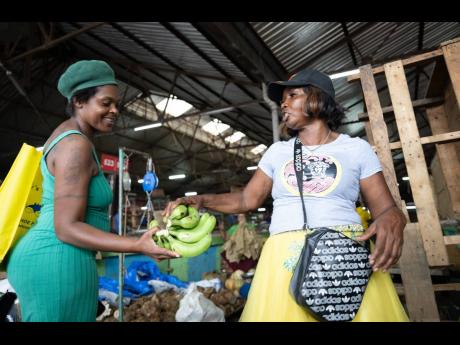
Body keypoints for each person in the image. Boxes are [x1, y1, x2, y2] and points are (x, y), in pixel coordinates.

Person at [164, 68, 408, 322]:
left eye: (292, 95)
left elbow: (385, 209)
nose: (283, 103)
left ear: (317, 99)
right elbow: (247, 200)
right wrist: (202, 200)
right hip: (284, 259)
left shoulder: (357, 149)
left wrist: (394, 218)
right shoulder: (277, 152)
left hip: (342, 257)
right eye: (283, 98)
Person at [6, 60, 179, 322]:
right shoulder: (76, 145)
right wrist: (137, 244)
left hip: (56, 256)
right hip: (59, 258)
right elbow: (66, 227)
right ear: (79, 101)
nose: (114, 110)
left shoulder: (69, 136)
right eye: (106, 103)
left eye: (116, 104)